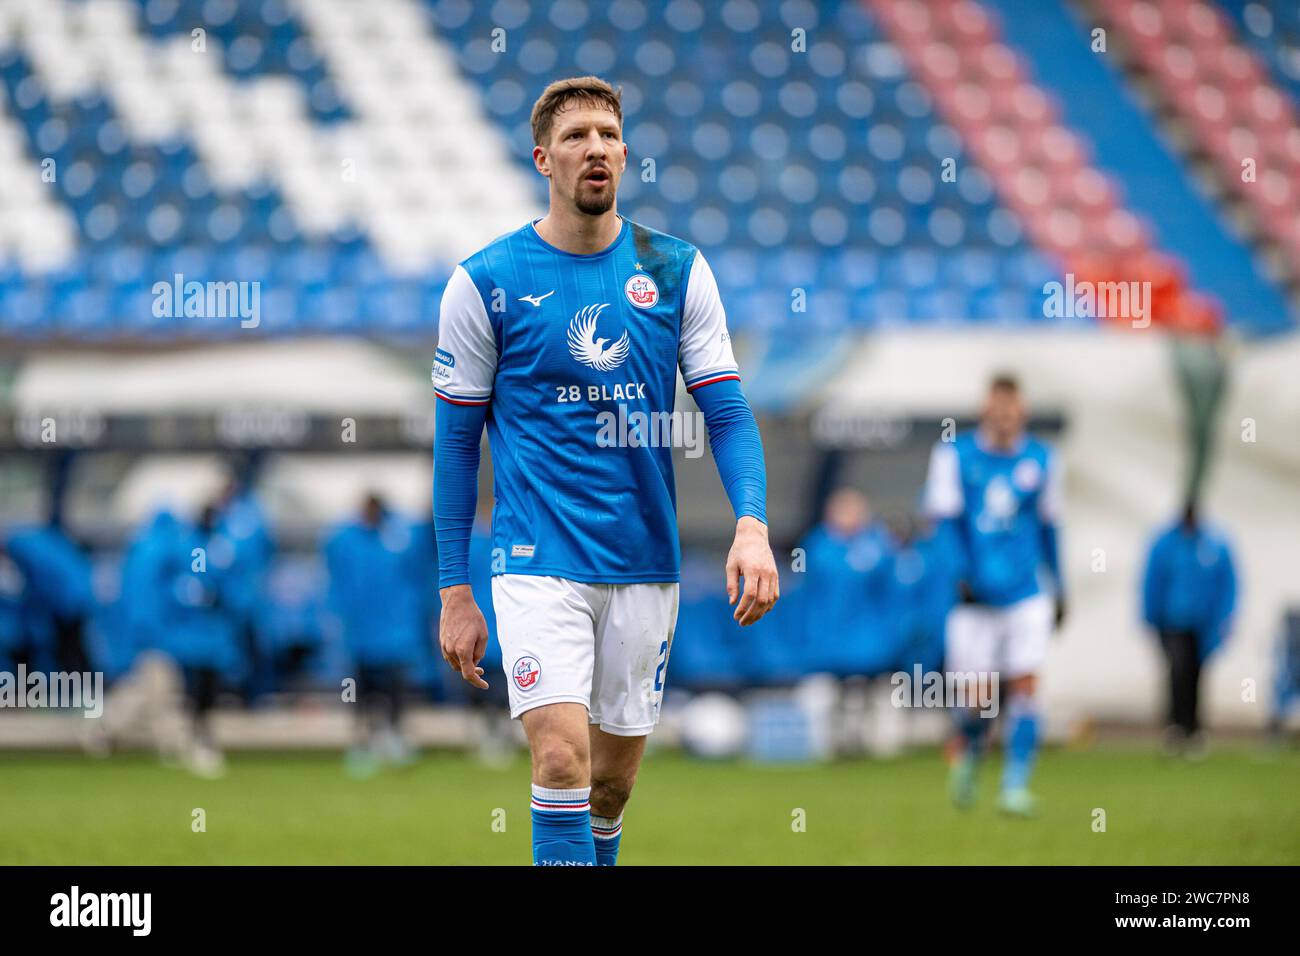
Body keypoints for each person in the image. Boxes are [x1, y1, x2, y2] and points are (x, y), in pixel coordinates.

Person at [433, 76, 778, 865]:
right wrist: (456, 587)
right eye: (577, 136)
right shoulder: (485, 281)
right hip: (535, 561)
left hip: (643, 564)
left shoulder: (677, 268)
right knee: (560, 761)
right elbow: (455, 446)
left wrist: (751, 527)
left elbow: (725, 414)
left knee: (610, 789)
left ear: (624, 154)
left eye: (608, 135)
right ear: (543, 158)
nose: (596, 148)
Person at [923, 374, 1066, 816]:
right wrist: (960, 573)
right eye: (998, 409)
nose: (1005, 418)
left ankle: (1014, 786)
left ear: (1021, 412)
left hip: (1025, 593)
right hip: (974, 598)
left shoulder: (1043, 459)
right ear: (986, 410)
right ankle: (968, 752)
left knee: (1026, 687)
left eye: (1012, 410)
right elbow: (944, 523)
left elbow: (1049, 527)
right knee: (979, 702)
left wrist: (1060, 584)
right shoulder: (954, 456)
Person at [324, 493, 424, 775]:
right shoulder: (345, 540)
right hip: (361, 632)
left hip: (394, 632)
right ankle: (362, 741)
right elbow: (336, 578)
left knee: (395, 689)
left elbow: (415, 575)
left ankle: (394, 738)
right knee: (360, 691)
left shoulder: (400, 538)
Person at [1141, 504, 1237, 757]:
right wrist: (1150, 616)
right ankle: (1175, 726)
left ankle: (1194, 728)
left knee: (1197, 673)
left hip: (1204, 624)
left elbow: (1228, 585)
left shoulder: (1214, 543)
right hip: (1172, 621)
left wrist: (1225, 619)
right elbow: (1152, 580)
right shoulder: (1165, 543)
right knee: (1177, 669)